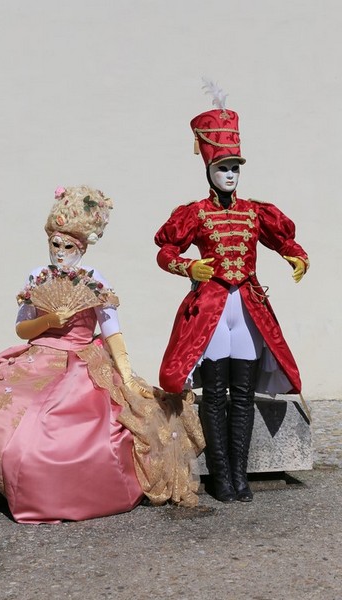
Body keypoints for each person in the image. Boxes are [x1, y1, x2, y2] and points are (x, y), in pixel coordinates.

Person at [0, 185, 205, 524]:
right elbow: (22, 330)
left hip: (82, 363)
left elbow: (112, 332)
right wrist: (51, 320)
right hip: (37, 358)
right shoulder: (37, 277)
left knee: (83, 428)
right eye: (54, 243)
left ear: (81, 246)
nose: (59, 251)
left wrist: (126, 377)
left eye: (68, 245)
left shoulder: (95, 280)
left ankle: (65, 494)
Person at [154, 84, 309, 504]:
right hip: (212, 309)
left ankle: (240, 477)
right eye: (222, 167)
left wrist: (297, 256)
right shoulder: (195, 213)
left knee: (242, 394)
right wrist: (190, 267)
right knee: (215, 393)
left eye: (235, 168)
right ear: (208, 169)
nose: (229, 174)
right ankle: (220, 475)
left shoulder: (255, 211)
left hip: (248, 308)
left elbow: (281, 240)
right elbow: (165, 250)